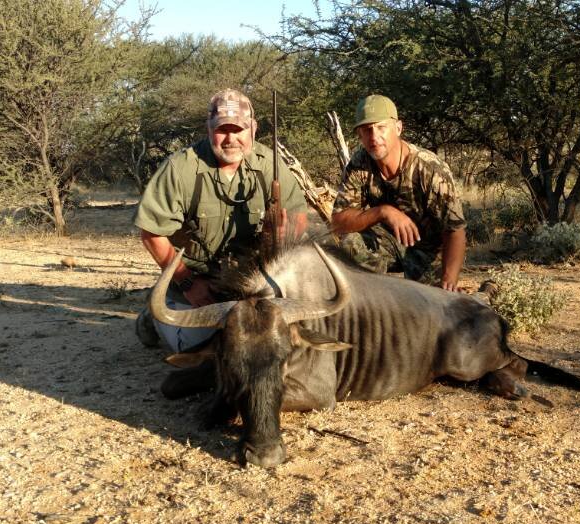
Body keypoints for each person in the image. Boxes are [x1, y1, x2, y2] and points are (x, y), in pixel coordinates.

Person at [133, 88, 308, 354]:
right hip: (199, 283)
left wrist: (281, 238)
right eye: (222, 130)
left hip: (253, 280)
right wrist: (188, 282)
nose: (231, 139)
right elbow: (151, 233)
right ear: (208, 128)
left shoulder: (270, 164)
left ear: (253, 128)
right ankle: (155, 315)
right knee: (206, 348)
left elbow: (297, 216)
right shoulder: (180, 169)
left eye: (238, 129)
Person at [331, 94, 467, 291]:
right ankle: (369, 299)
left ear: (398, 128)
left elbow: (455, 230)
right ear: (359, 135)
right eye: (366, 130)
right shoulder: (359, 164)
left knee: (427, 303)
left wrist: (449, 280)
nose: (374, 137)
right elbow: (338, 222)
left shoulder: (429, 168)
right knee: (350, 242)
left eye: (381, 127)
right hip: (389, 243)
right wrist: (383, 212)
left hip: (430, 248)